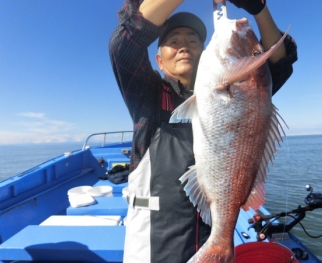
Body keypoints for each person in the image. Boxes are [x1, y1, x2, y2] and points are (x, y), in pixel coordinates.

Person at [109, 0, 297, 262]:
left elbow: (280, 61)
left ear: (204, 53)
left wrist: (259, 8)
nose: (184, 45)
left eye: (193, 40)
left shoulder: (245, 89)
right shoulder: (147, 97)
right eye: (173, 41)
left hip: (213, 237)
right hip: (154, 249)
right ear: (159, 61)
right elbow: (126, 42)